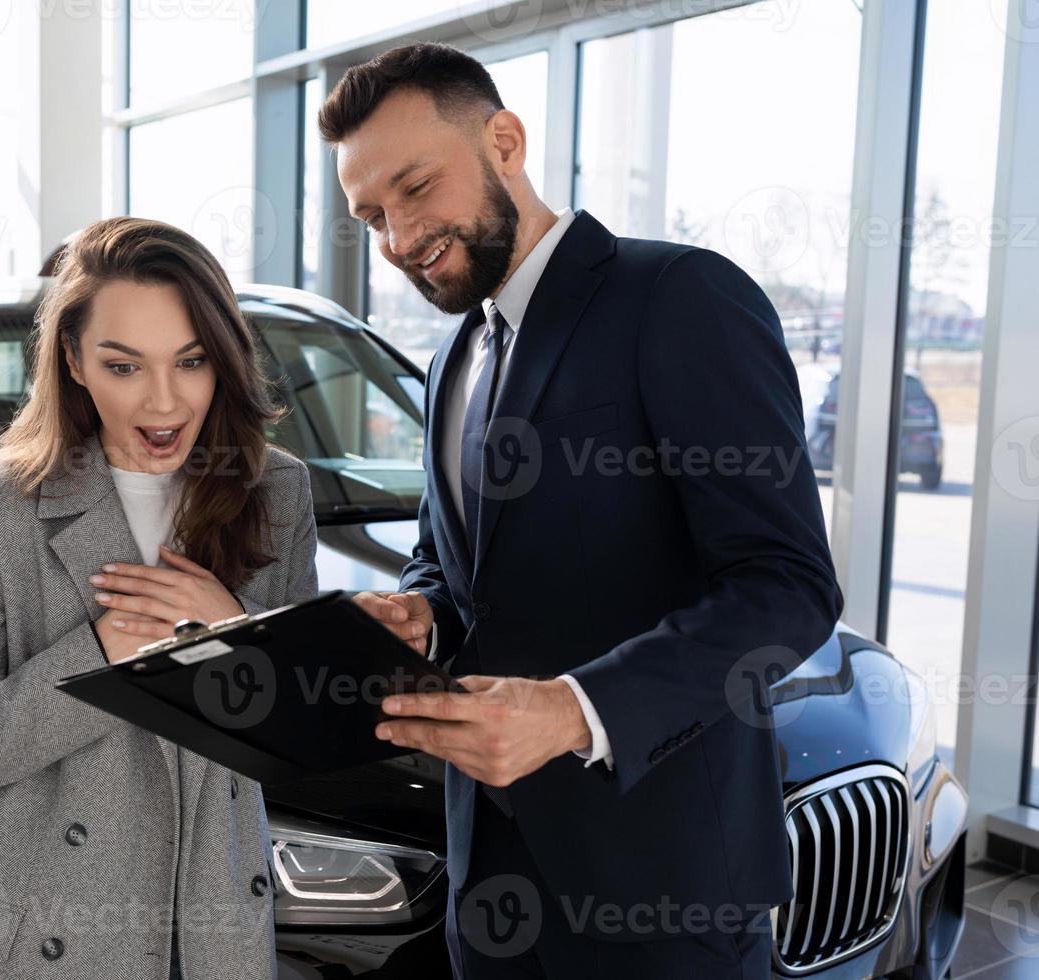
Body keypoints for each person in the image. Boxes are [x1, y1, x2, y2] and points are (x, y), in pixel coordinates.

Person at [334, 43, 842, 977]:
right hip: (488, 887)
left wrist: (577, 710)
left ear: (505, 141)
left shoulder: (680, 297)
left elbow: (789, 587)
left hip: (663, 894)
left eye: (415, 188)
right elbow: (451, 569)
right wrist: (420, 614)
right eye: (370, 217)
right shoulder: (454, 360)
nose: (399, 239)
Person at [0, 216, 319, 979]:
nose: (164, 403)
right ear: (75, 361)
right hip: (35, 941)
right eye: (125, 367)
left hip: (211, 936)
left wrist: (237, 636)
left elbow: (300, 738)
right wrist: (101, 658)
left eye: (191, 361)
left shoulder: (276, 492)